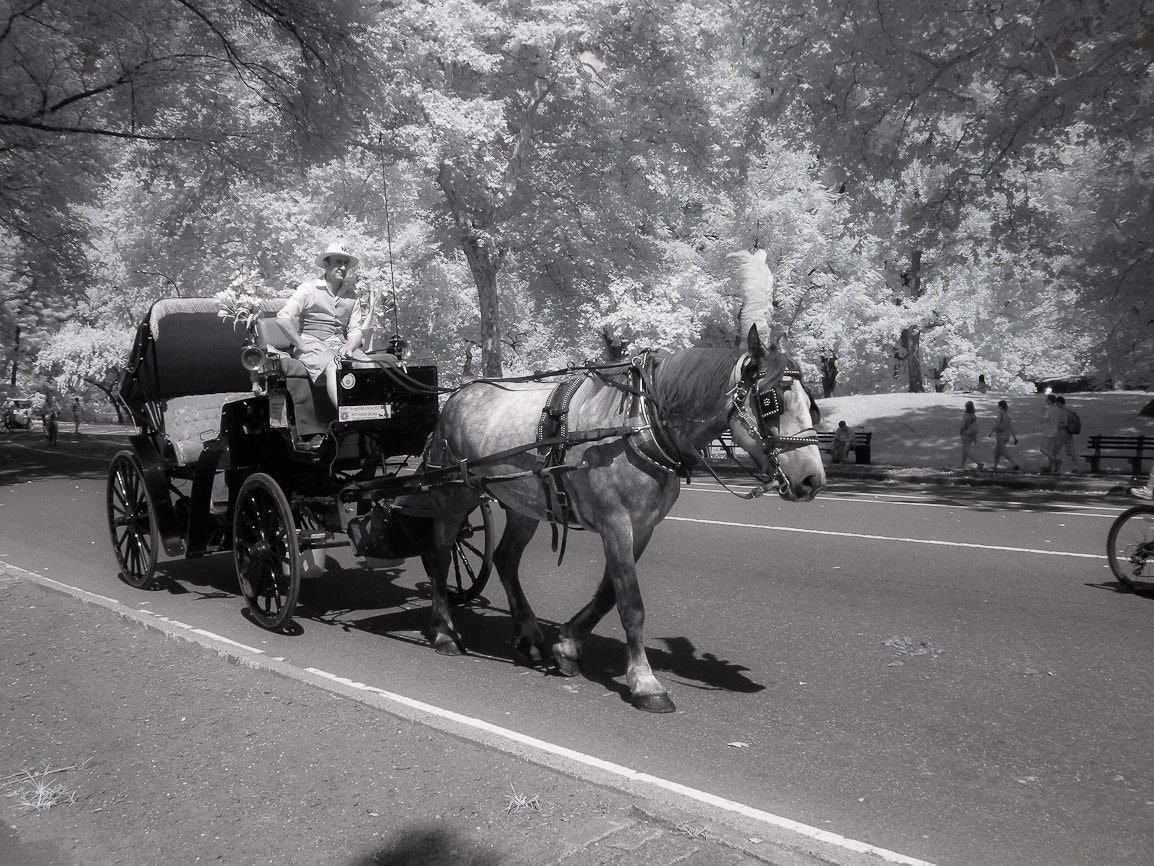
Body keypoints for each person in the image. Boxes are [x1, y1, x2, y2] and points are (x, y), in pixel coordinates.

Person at [276, 242, 373, 411]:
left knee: (369, 365)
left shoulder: (353, 297)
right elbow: (283, 318)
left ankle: (371, 413)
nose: (342, 267)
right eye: (338, 262)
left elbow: (355, 331)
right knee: (332, 366)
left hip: (341, 345)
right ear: (326, 264)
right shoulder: (309, 289)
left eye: (345, 263)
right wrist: (302, 346)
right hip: (312, 344)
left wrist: (350, 347)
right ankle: (346, 416)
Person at [987, 399, 1020, 471]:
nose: (997, 407)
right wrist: (1014, 438)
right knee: (997, 452)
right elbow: (1011, 427)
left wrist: (991, 432)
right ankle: (995, 466)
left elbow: (997, 424)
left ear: (1001, 406)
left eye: (998, 405)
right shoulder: (1007, 416)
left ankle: (1015, 464)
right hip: (1006, 436)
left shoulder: (1000, 414)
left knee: (1004, 452)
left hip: (1000, 437)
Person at [1054, 395, 1080, 472]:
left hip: (1062, 433)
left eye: (1057, 403)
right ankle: (1076, 466)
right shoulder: (1070, 410)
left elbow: (1064, 423)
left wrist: (1058, 425)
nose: (1056, 405)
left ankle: (1051, 465)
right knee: (1071, 450)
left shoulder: (1063, 411)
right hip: (1069, 433)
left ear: (1059, 403)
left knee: (1055, 450)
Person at [1039, 393, 1060, 472]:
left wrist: (1042, 414)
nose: (1046, 401)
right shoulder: (1057, 409)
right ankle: (1050, 467)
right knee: (1049, 450)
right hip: (1055, 432)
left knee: (1042, 449)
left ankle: (1056, 460)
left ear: (1050, 401)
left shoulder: (1049, 409)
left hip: (1048, 432)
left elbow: (1044, 419)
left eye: (1047, 400)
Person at [960, 400, 983, 469]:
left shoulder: (965, 415)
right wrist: (975, 437)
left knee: (967, 451)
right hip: (972, 435)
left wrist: (960, 432)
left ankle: (979, 463)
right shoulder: (973, 415)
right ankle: (962, 465)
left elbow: (963, 425)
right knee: (965, 451)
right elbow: (974, 425)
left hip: (966, 434)